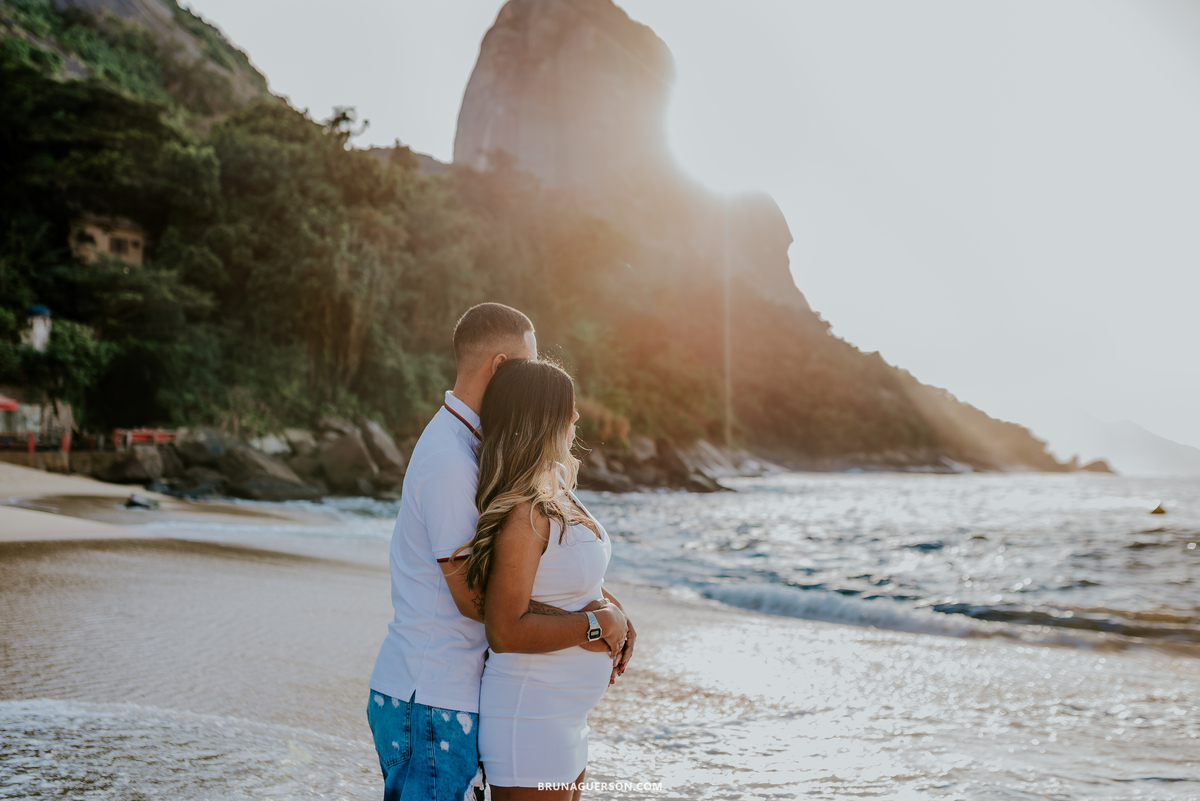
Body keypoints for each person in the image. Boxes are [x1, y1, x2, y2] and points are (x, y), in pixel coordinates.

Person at [366, 303, 631, 801]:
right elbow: (479, 602)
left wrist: (603, 607)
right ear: (502, 367)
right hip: (432, 696)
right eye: (528, 366)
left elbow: (525, 573)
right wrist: (593, 623)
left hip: (452, 695)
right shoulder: (449, 460)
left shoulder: (475, 447)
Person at [453, 358, 633, 800]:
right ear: (543, 417)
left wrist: (620, 617)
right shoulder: (523, 514)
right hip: (530, 715)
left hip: (567, 716)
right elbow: (504, 628)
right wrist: (597, 625)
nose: (575, 417)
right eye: (566, 408)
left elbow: (575, 578)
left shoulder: (557, 488)